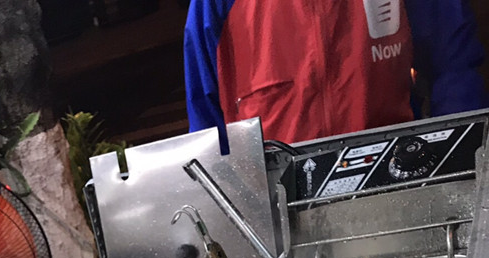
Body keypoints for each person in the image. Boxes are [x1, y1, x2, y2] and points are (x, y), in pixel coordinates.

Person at [184, 0, 488, 151]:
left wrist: (457, 157)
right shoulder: (215, 4)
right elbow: (206, 126)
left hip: (394, 178)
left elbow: (455, 66)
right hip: (275, 209)